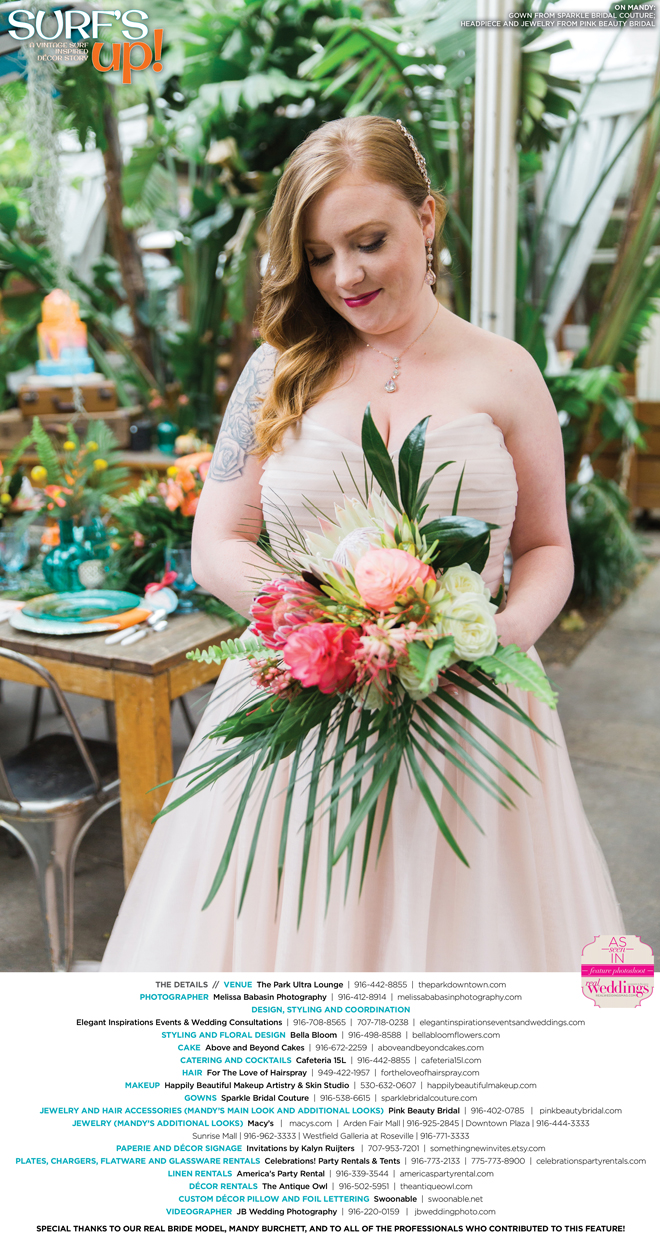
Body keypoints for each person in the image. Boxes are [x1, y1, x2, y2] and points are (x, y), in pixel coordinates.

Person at [101, 116, 623, 972]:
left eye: (369, 241)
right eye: (317, 255)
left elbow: (545, 547)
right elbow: (218, 541)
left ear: (427, 216)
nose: (344, 276)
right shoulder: (278, 368)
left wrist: (499, 636)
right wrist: (327, 627)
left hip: (467, 708)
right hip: (297, 705)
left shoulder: (508, 370)